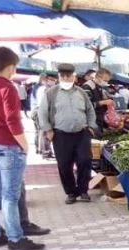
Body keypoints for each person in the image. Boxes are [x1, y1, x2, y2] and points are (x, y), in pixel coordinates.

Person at [0, 47, 46, 250]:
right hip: (8, 147)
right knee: (9, 196)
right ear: (10, 67)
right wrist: (24, 145)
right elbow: (12, 121)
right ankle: (15, 239)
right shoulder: (7, 87)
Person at [39, 63, 98, 205]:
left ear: (74, 77)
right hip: (60, 134)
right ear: (59, 77)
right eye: (63, 76)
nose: (66, 79)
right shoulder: (51, 93)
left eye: (68, 76)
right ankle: (71, 192)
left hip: (82, 133)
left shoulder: (81, 92)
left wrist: (91, 126)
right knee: (64, 164)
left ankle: (83, 190)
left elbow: (90, 110)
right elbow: (42, 113)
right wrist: (48, 130)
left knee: (85, 160)